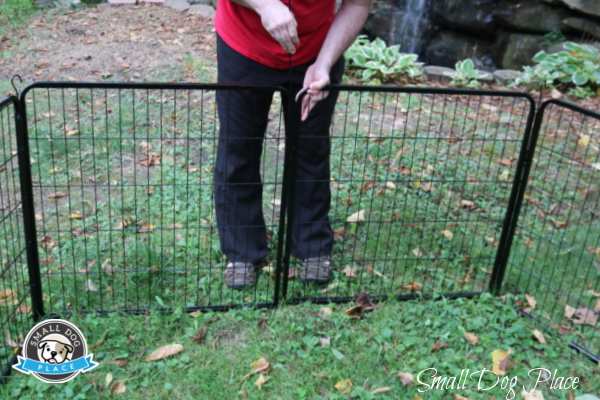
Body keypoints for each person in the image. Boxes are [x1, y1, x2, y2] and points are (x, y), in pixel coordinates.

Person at [214, 0, 371, 288]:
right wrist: (263, 5)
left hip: (316, 49)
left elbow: (358, 4)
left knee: (310, 149)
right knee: (239, 148)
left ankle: (312, 246)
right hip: (243, 44)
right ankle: (242, 252)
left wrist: (324, 63)